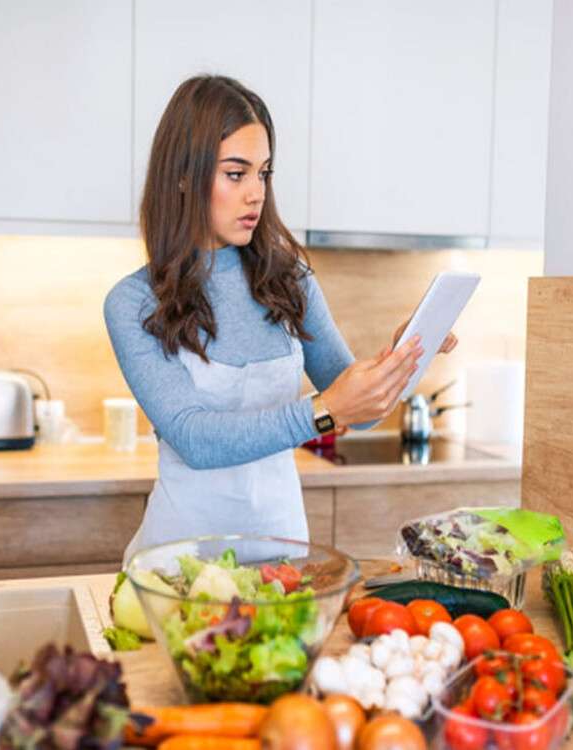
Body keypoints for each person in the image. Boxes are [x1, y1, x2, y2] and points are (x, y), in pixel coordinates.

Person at [104, 75, 456, 561]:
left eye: (263, 174)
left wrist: (404, 357)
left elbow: (362, 414)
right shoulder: (134, 302)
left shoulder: (289, 281)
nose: (256, 193)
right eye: (235, 174)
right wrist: (325, 409)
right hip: (181, 564)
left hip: (281, 553)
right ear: (183, 176)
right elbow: (195, 439)